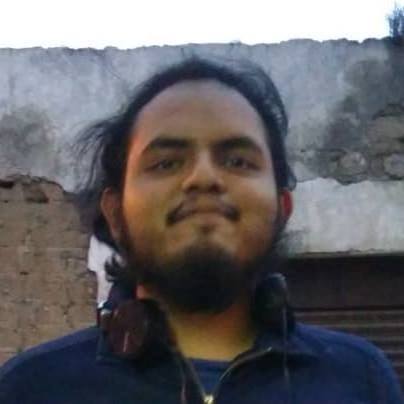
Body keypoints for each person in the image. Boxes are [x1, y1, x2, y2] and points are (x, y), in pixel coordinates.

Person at [0, 57, 402, 404]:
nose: (204, 178)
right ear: (116, 213)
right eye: (166, 163)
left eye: (238, 161)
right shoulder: (32, 387)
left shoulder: (361, 380)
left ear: (282, 209)